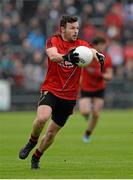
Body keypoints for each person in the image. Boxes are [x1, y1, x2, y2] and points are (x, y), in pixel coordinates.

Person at [19, 15, 105, 169]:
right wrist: (67, 56)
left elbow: (91, 51)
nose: (76, 31)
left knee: (51, 134)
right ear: (63, 29)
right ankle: (31, 142)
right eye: (72, 28)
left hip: (69, 97)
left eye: (77, 28)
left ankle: (36, 157)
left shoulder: (81, 45)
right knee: (42, 118)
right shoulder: (54, 40)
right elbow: (53, 56)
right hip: (51, 89)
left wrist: (99, 55)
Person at [79, 36, 113, 143]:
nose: (103, 47)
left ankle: (87, 134)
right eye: (101, 44)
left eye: (104, 44)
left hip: (99, 89)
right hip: (86, 88)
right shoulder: (86, 56)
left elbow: (109, 76)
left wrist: (100, 74)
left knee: (96, 114)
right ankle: (87, 111)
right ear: (95, 46)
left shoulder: (107, 58)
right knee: (85, 111)